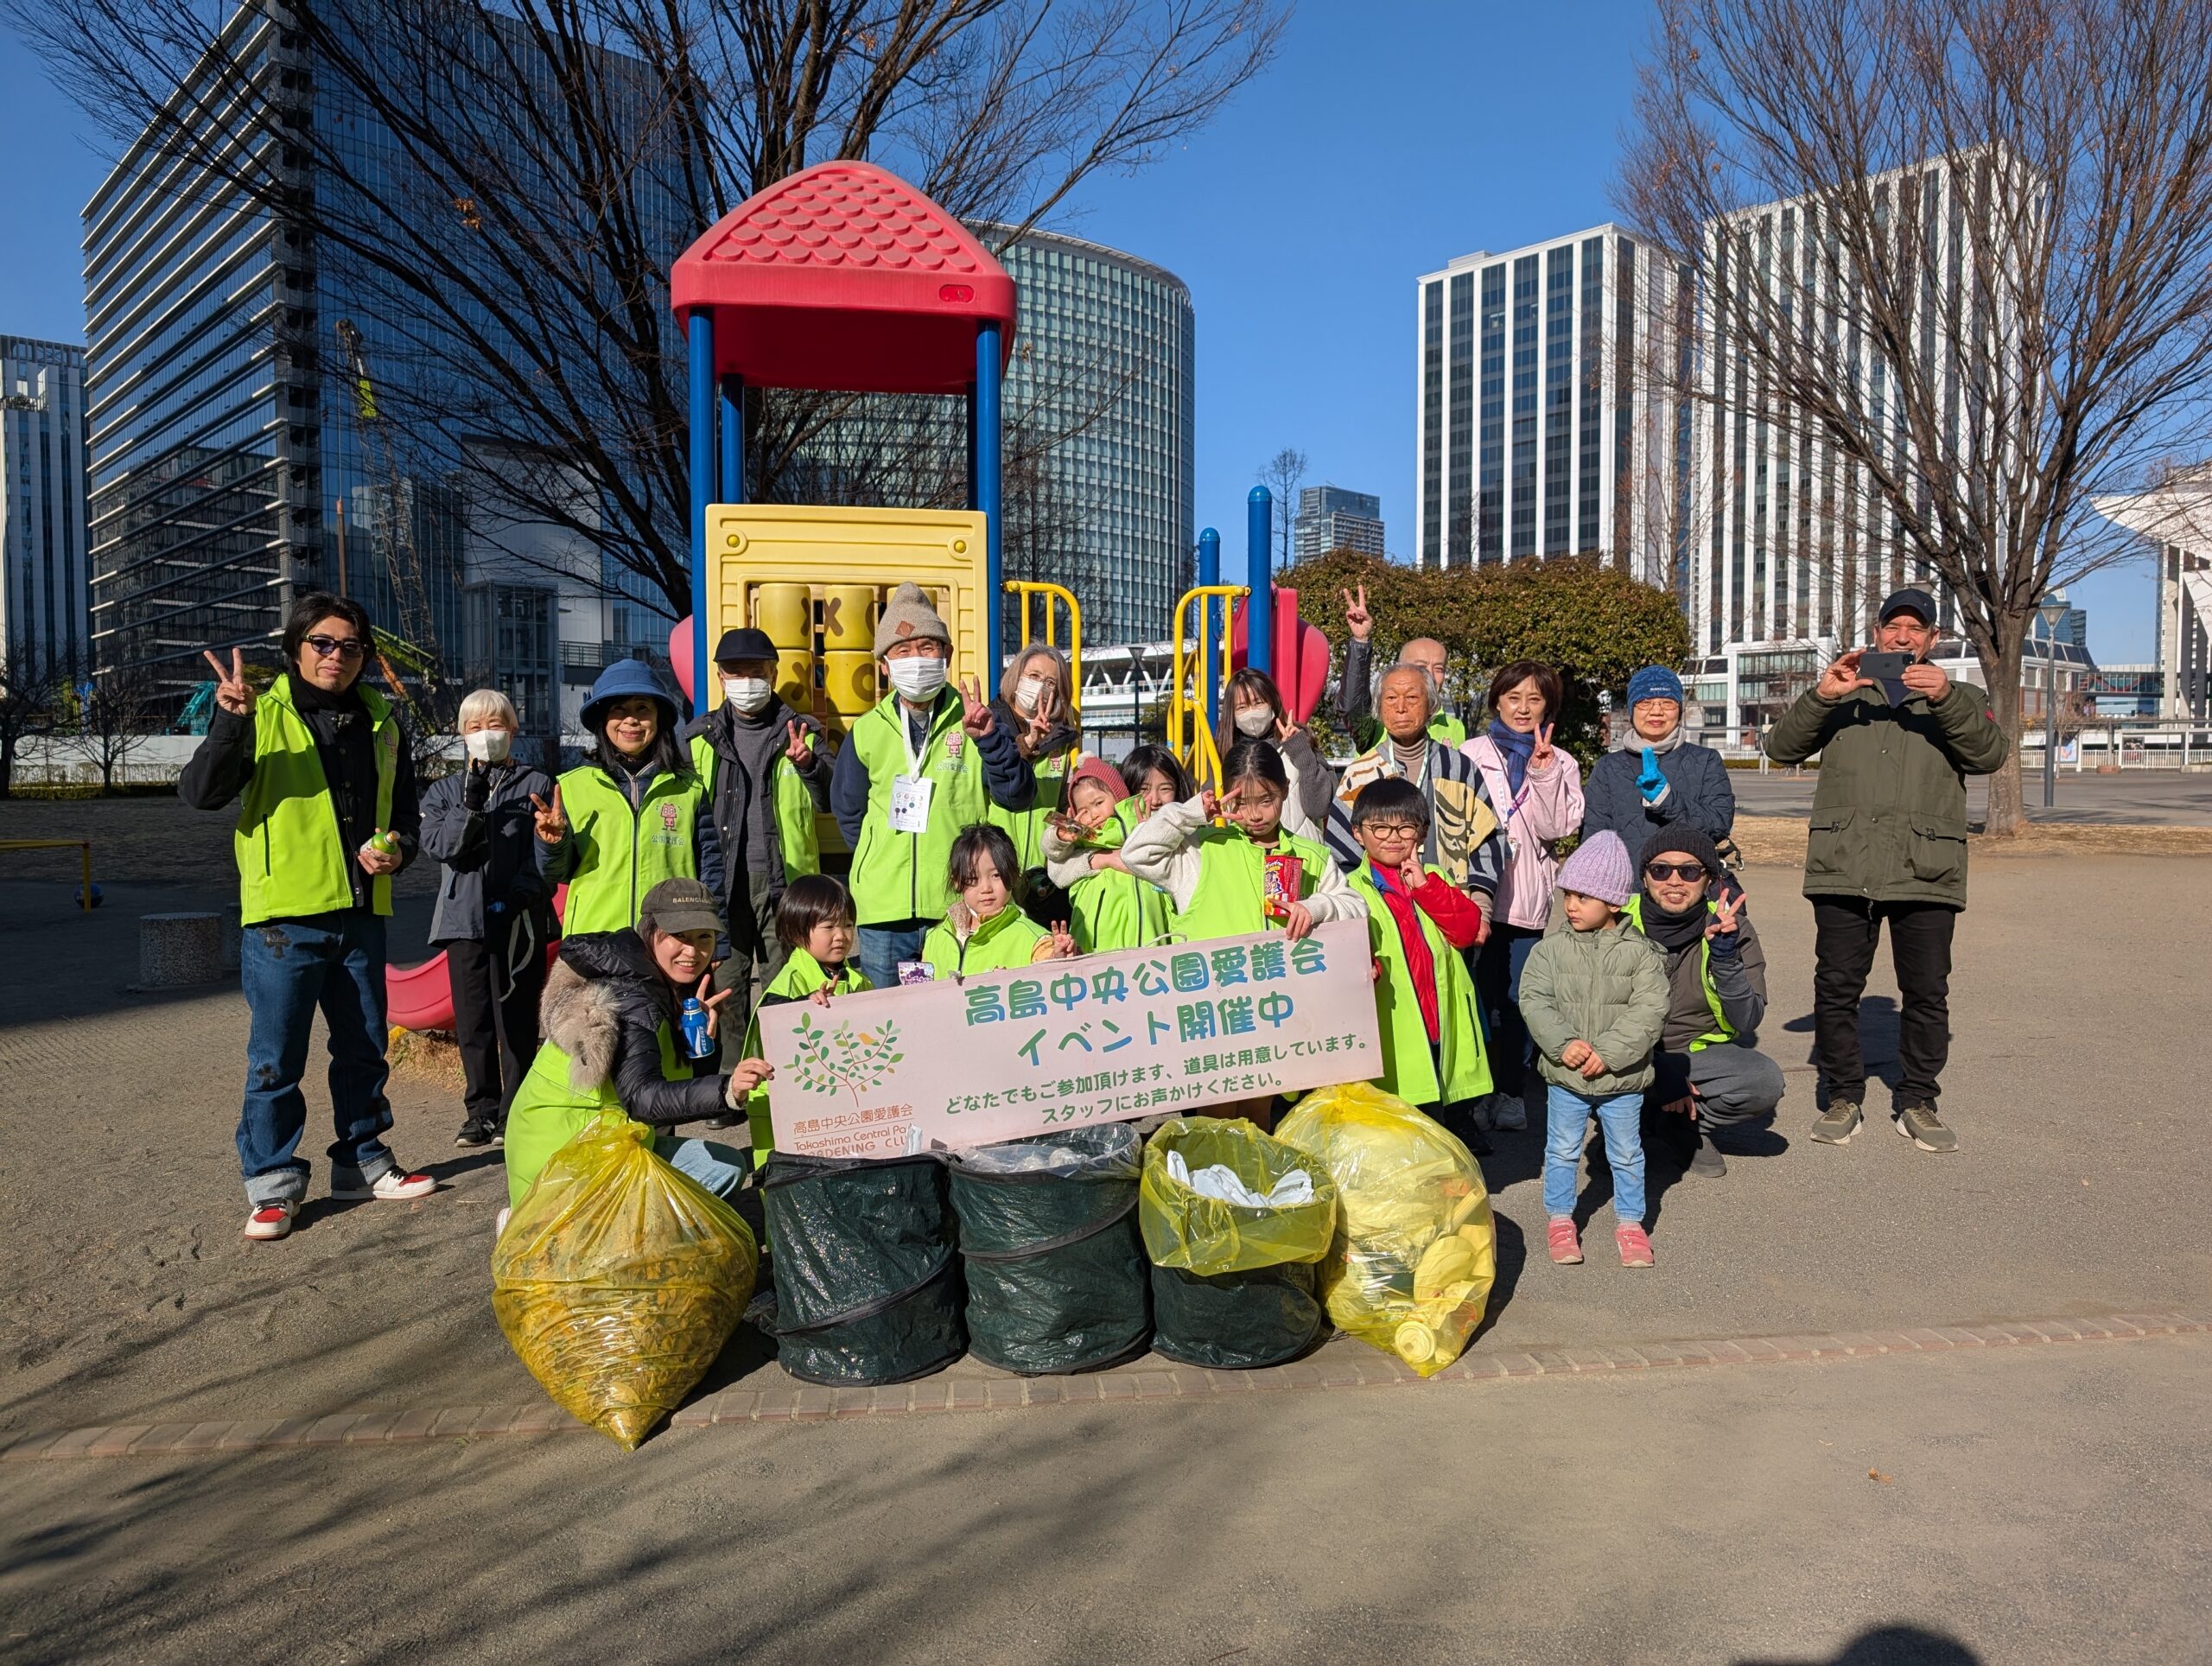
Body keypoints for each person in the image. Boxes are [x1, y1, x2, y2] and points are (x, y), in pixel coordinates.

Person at [179, 592, 432, 1242]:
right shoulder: (260, 715)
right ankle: (272, 1184)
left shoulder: (384, 723)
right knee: (276, 1057)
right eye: (322, 642)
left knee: (365, 1048)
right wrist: (229, 721)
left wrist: (397, 850)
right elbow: (202, 794)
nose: (336, 656)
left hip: (361, 912)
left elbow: (405, 818)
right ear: (294, 649)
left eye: (350, 646)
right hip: (282, 919)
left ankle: (362, 1160)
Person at [1764, 588, 2010, 1154]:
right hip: (1845, 863)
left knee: (1926, 992)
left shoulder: (1962, 695)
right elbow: (1781, 747)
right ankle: (1843, 1096)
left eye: (1915, 628)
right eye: (1893, 626)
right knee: (1836, 988)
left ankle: (1918, 1100)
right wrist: (1822, 695)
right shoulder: (1847, 693)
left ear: (1932, 638)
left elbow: (1990, 755)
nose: (1903, 637)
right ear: (1876, 634)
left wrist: (1945, 698)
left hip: (1926, 867)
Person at [503, 878, 770, 1212]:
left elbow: (673, 1082)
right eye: (680, 937)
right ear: (650, 930)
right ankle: (542, 1220)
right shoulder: (630, 992)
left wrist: (701, 1044)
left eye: (705, 937)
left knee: (724, 1167)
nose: (693, 951)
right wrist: (727, 1089)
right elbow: (643, 1099)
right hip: (562, 1152)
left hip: (610, 1136)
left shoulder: (668, 985)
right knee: (711, 1177)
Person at [830, 582, 1035, 989]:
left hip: (959, 903)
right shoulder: (866, 731)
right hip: (884, 914)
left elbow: (1017, 795)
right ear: (884, 665)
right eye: (902, 651)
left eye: (928, 647)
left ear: (947, 657)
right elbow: (849, 811)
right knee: (886, 1028)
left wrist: (990, 740)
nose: (916, 659)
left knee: (956, 1027)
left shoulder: (977, 718)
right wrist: (881, 855)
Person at [683, 626, 829, 1128]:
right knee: (725, 983)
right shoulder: (697, 737)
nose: (747, 681)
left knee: (783, 982)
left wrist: (809, 765)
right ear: (721, 677)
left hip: (782, 881)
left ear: (773, 674)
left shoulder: (802, 729)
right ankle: (731, 1086)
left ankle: (786, 1080)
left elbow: (833, 796)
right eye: (737, 673)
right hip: (719, 880)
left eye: (757, 672)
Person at [1517, 831, 1670, 1269]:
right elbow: (1534, 1000)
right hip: (1567, 1079)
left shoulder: (1642, 955)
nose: (1571, 906)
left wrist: (1610, 1053)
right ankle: (1561, 1219)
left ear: (1614, 902)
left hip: (1622, 1081)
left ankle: (1630, 1223)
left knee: (1626, 1152)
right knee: (1562, 1150)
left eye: (1584, 897)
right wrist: (1563, 1045)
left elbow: (1649, 1010)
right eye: (1568, 894)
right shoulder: (1549, 951)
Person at [418, 689, 557, 1148]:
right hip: (464, 922)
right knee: (474, 1022)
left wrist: (522, 894)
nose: (485, 735)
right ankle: (479, 1112)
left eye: (494, 725)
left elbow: (548, 851)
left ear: (512, 730)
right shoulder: (443, 791)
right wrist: (471, 803)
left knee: (516, 1020)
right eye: (475, 727)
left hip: (520, 922)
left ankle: (513, 1112)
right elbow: (441, 848)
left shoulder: (539, 782)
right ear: (461, 734)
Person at [1461, 659, 1585, 1133]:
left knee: (1517, 1002)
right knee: (1474, 997)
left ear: (1548, 708)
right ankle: (1476, 1093)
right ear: (1497, 700)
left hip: (1526, 899)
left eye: (1535, 700)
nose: (1523, 708)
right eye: (1514, 698)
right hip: (1475, 896)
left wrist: (1545, 772)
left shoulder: (1563, 761)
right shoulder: (1468, 753)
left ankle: (1511, 1092)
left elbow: (1557, 828)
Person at [1624, 828, 1783, 1180]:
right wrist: (1659, 1072)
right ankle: (1624, 1125)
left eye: (1690, 871)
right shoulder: (1617, 922)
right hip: (1626, 1053)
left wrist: (1725, 959)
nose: (1675, 881)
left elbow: (1747, 1019)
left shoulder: (1732, 928)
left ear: (1708, 878)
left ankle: (1676, 1123)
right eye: (1661, 870)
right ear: (1645, 876)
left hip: (1695, 1054)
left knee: (1763, 1080)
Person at [1342, 778, 1492, 1151]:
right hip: (1395, 1028)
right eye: (1380, 827)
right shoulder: (1348, 889)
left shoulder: (1436, 878)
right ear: (1358, 833)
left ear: (1422, 833)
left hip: (1441, 1021)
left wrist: (1425, 886)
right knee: (1402, 1130)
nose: (1393, 837)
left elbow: (1468, 930)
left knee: (1444, 1130)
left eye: (1405, 827)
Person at [538, 659, 718, 935]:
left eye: (642, 708)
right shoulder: (571, 787)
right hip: (594, 943)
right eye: (618, 709)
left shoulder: (689, 789)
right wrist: (554, 844)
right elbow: (556, 874)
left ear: (659, 719)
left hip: (669, 943)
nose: (631, 719)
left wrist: (715, 937)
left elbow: (711, 870)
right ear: (602, 720)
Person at [1121, 739, 1365, 941]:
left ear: (1285, 789)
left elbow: (1357, 909)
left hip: (1288, 996)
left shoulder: (1313, 856)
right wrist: (1191, 813)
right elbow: (1135, 854)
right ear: (1225, 795)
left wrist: (1317, 908)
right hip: (1218, 996)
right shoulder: (1202, 849)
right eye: (1241, 803)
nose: (1255, 815)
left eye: (1266, 801)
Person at [1325, 662, 1506, 912]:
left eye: (1412, 697)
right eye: (1390, 698)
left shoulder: (1460, 769)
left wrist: (1481, 910)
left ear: (1431, 705)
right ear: (1378, 708)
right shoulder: (1360, 774)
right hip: (1382, 917)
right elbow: (1341, 855)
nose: (1401, 708)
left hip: (1450, 911)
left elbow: (1487, 841)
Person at [734, 874, 870, 1171]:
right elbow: (770, 1017)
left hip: (830, 1098)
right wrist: (801, 1007)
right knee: (789, 1184)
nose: (842, 935)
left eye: (847, 924)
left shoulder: (857, 980)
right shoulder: (791, 982)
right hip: (781, 1106)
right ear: (797, 932)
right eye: (829, 926)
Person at [1580, 665, 1737, 853]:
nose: (1656, 711)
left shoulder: (1706, 761)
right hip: (1626, 881)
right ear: (1631, 710)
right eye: (1645, 703)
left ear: (1679, 710)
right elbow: (1593, 838)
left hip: (1686, 878)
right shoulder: (1608, 767)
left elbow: (1719, 825)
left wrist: (1667, 799)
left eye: (1667, 703)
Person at [1040, 755, 1176, 953]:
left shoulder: (1143, 829)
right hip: (1096, 951)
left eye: (1098, 803)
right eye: (1083, 810)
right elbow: (1052, 856)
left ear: (1119, 797)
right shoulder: (1083, 842)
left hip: (1150, 948)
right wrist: (1060, 835)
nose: (1093, 814)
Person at [918, 824, 1075, 978]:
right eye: (973, 878)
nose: (986, 888)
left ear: (1013, 875)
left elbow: (1049, 984)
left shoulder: (1034, 939)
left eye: (996, 875)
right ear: (957, 882)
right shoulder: (935, 938)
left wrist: (1057, 961)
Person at [988, 643, 1081, 891]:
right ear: (1016, 677)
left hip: (1043, 878)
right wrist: (1028, 743)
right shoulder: (988, 727)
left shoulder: (1064, 743)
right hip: (991, 873)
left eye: (1051, 683)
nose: (1041, 686)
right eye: (1034, 676)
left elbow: (1066, 807)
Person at [1337, 582, 1465, 747]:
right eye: (1421, 666)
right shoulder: (1378, 722)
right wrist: (1361, 643)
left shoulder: (1456, 728)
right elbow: (1352, 708)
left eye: (1439, 668)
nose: (1430, 675)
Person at [1215, 667, 1332, 842]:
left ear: (1272, 703)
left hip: (1302, 856)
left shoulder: (1300, 740)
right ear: (1231, 714)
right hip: (1247, 858)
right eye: (1242, 707)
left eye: (1258, 703)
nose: (1252, 712)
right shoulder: (1221, 754)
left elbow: (1319, 807)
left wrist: (1300, 751)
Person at [1119, 744, 1195, 815]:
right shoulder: (1114, 828)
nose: (1155, 801)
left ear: (1178, 791)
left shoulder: (1191, 827)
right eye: (1144, 789)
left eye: (1165, 789)